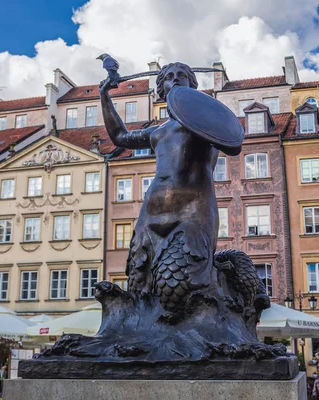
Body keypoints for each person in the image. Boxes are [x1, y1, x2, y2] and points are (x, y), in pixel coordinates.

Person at [99, 63, 237, 314]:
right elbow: (119, 136)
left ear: (191, 86)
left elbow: (231, 137)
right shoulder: (157, 132)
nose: (175, 80)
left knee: (182, 288)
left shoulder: (205, 127)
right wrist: (104, 96)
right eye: (169, 77)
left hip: (191, 214)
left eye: (181, 76)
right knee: (139, 284)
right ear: (161, 89)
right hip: (151, 215)